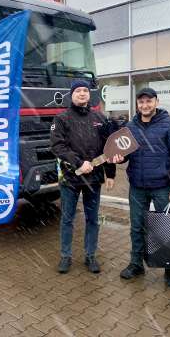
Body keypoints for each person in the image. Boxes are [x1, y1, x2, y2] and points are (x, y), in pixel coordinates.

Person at [118, 87, 170, 288]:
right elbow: (125, 154)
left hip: (163, 187)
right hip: (137, 186)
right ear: (137, 104)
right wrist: (119, 158)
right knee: (137, 227)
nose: (145, 105)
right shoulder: (131, 126)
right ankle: (136, 264)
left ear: (156, 102)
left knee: (166, 228)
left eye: (149, 101)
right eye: (141, 102)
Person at [50, 79, 119, 274]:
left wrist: (110, 173)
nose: (82, 94)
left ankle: (90, 256)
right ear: (71, 95)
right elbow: (57, 146)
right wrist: (79, 162)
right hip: (70, 179)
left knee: (93, 219)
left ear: (89, 95)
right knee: (67, 219)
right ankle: (65, 256)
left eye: (85, 91)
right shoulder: (62, 119)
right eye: (78, 91)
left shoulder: (99, 118)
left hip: (94, 179)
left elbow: (109, 147)